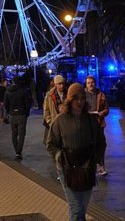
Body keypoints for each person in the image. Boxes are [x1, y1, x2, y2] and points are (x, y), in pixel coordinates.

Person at [46, 82, 99, 221]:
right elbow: (50, 143)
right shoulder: (60, 120)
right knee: (75, 208)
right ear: (69, 99)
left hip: (87, 167)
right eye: (76, 98)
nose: (79, 102)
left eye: (82, 98)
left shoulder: (90, 120)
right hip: (67, 167)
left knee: (82, 208)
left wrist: (97, 159)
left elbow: (99, 141)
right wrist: (59, 157)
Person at [84, 75, 109, 176]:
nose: (91, 84)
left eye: (92, 82)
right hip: (86, 124)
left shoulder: (101, 94)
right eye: (88, 83)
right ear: (86, 84)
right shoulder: (82, 95)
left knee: (101, 145)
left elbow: (107, 109)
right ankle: (89, 166)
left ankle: (101, 166)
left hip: (99, 124)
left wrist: (101, 113)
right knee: (88, 146)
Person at [3, 75, 32, 160]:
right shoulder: (24, 91)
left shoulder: (8, 91)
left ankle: (16, 151)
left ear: (13, 82)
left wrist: (8, 112)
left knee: (14, 133)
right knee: (22, 134)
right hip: (22, 114)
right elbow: (27, 103)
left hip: (12, 114)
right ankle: (19, 152)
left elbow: (5, 104)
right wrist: (27, 113)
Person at [43, 74, 66, 146]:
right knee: (52, 144)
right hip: (54, 122)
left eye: (62, 83)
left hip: (65, 123)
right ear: (55, 84)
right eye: (59, 84)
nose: (62, 86)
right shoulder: (49, 95)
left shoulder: (67, 93)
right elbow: (46, 110)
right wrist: (50, 122)